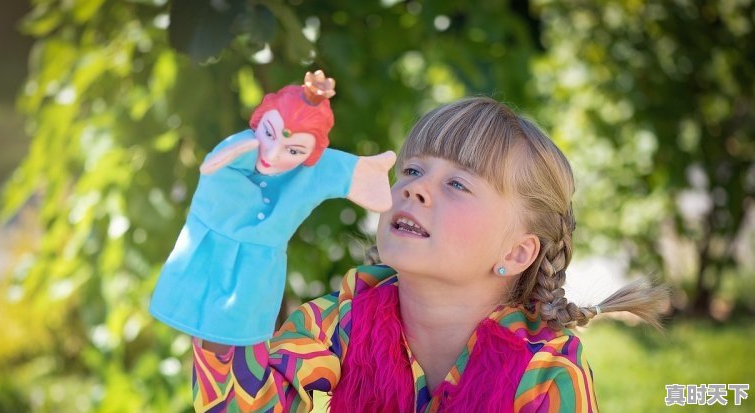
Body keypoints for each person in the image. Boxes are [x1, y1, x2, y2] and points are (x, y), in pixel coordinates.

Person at [191, 97, 668, 412]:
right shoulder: (339, 323)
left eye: (457, 183)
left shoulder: (545, 373)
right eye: (413, 168)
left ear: (517, 251)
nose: (416, 188)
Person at [150, 71, 396, 345]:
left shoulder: (313, 171)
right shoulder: (236, 152)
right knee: (203, 339)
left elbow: (355, 176)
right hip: (205, 253)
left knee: (234, 348)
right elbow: (212, 164)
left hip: (256, 272)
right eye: (269, 134)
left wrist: (373, 174)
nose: (273, 154)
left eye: (294, 151)